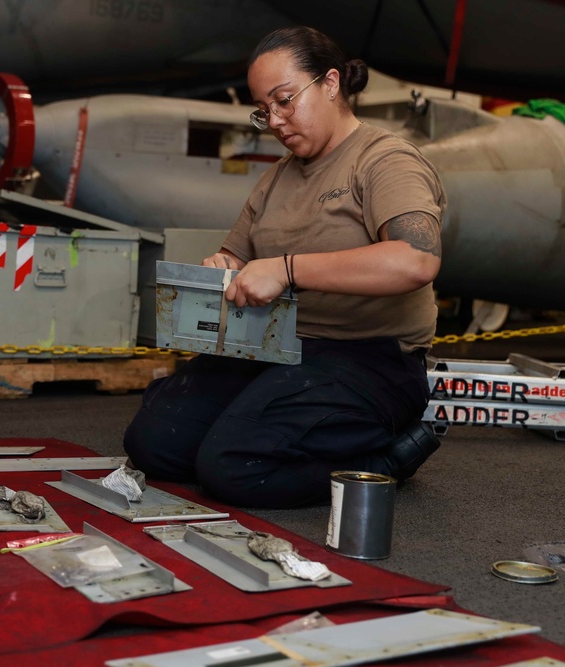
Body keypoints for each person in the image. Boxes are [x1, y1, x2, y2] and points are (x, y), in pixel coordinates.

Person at [123, 26, 446, 509]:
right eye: (263, 109)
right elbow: (238, 253)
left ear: (331, 83)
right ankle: (260, 437)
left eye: (285, 100)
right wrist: (224, 265)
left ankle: (384, 462)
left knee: (233, 468)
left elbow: (415, 259)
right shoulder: (276, 177)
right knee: (152, 443)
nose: (274, 120)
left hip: (371, 361)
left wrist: (287, 270)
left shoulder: (384, 160)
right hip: (279, 348)